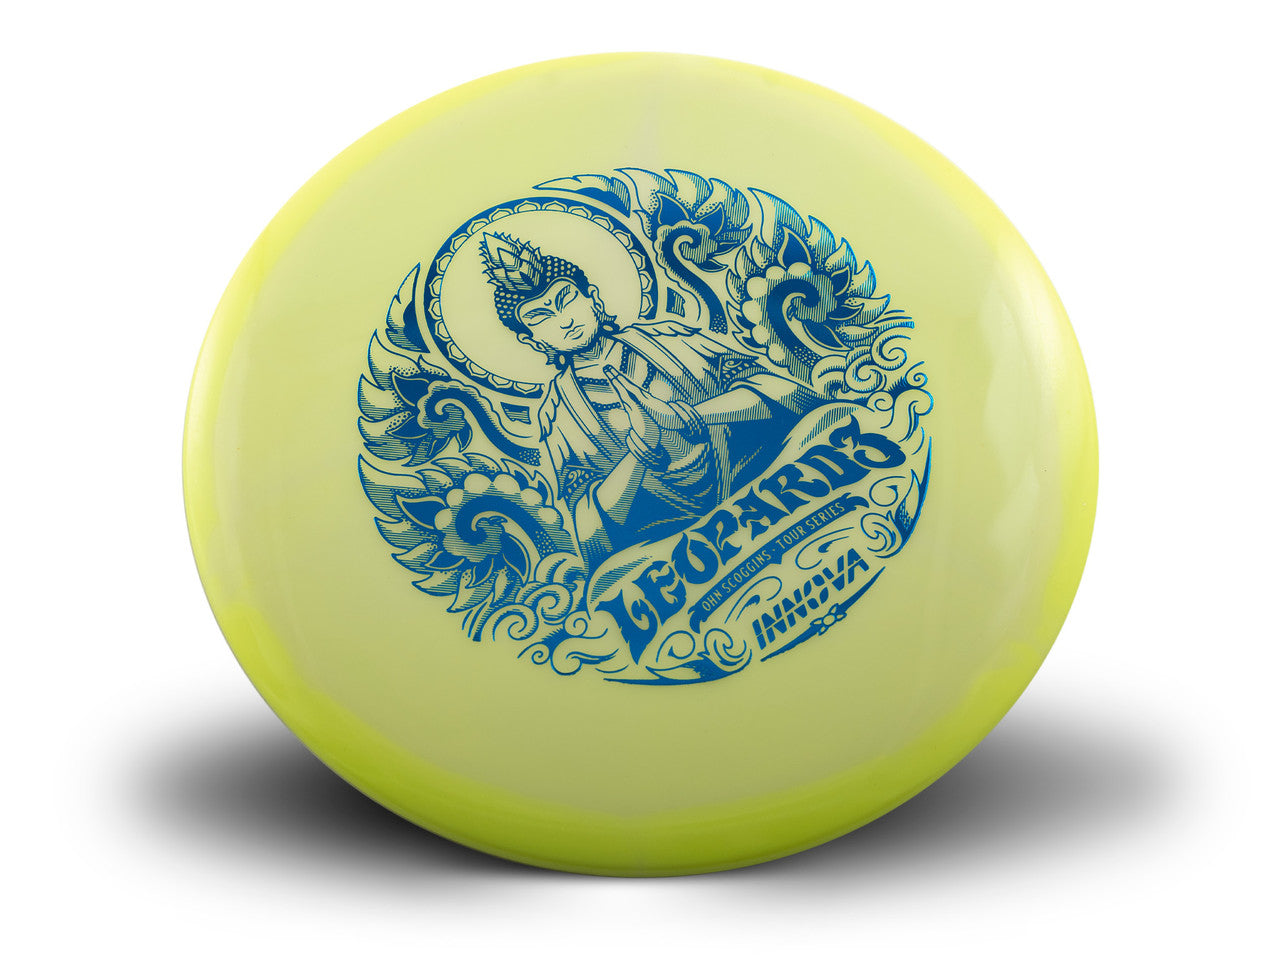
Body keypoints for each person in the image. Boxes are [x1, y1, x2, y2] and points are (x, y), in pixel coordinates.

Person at [480, 232, 824, 571]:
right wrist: (639, 454)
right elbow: (589, 529)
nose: (564, 320)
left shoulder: (670, 337)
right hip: (683, 546)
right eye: (540, 317)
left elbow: (784, 391)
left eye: (566, 300)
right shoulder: (558, 416)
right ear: (532, 341)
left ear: (593, 298)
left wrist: (691, 416)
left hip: (770, 481)